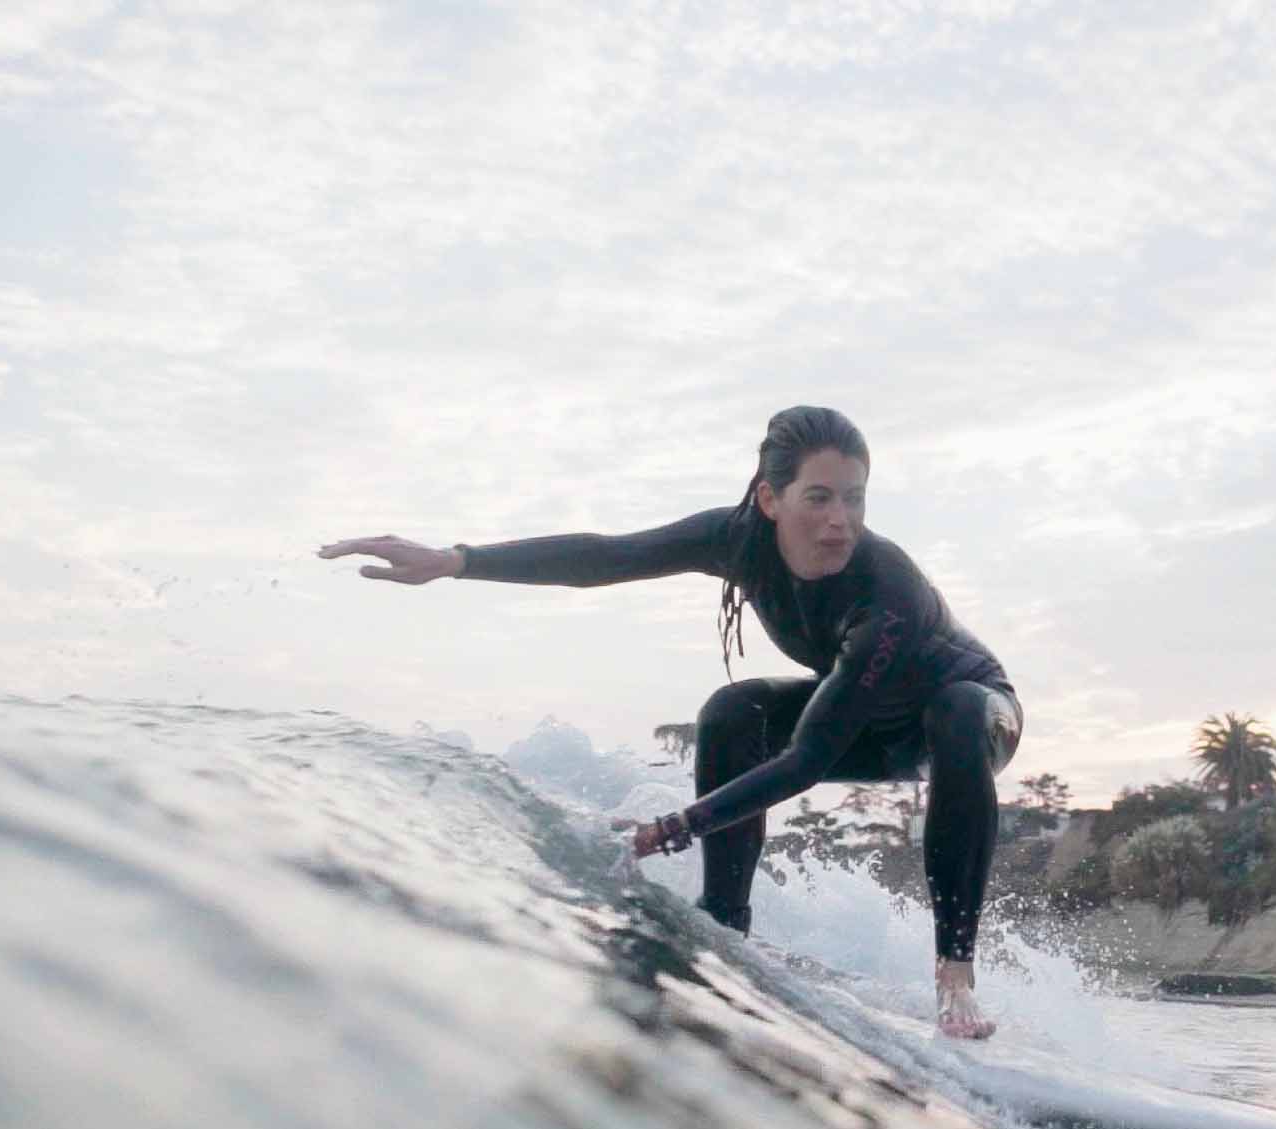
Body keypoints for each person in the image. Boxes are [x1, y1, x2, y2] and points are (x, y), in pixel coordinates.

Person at [318, 406, 1022, 1038]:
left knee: (955, 710)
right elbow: (606, 556)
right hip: (865, 724)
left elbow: (809, 761)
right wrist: (455, 561)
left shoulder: (887, 588)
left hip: (974, 722)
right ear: (770, 500)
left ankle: (954, 975)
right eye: (820, 497)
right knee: (733, 712)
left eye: (854, 498)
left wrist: (671, 828)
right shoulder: (735, 539)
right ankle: (725, 927)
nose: (841, 518)